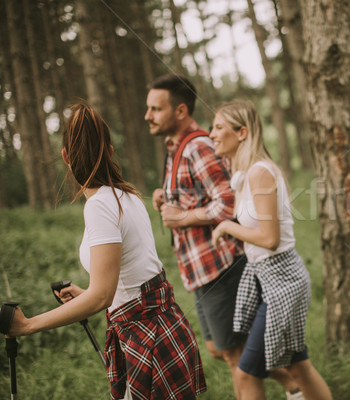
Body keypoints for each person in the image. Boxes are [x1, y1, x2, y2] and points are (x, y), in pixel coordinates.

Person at [7, 103, 205, 400]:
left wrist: (27, 325)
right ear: (110, 151)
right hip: (167, 329)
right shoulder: (129, 195)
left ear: (65, 158)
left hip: (145, 340)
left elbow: (103, 296)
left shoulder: (99, 206)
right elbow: (129, 278)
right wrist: (86, 292)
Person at [145, 75, 302, 400]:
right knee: (220, 349)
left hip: (221, 266)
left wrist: (184, 217)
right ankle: (293, 380)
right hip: (199, 270)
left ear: (180, 110)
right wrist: (167, 196)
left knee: (236, 359)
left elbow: (226, 201)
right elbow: (198, 195)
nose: (148, 116)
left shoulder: (197, 146)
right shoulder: (176, 149)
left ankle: (295, 383)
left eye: (156, 109)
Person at [210, 101, 333, 400]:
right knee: (298, 366)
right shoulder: (243, 175)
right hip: (269, 280)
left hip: (284, 281)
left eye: (217, 127)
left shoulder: (259, 172)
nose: (211, 134)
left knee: (246, 372)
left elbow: (270, 239)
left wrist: (227, 227)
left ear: (242, 133)